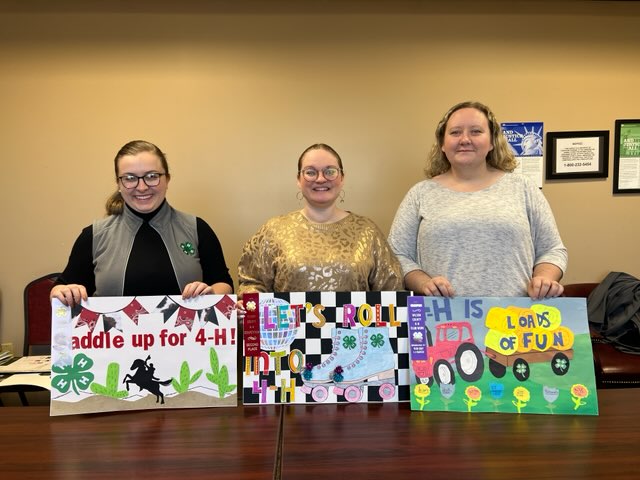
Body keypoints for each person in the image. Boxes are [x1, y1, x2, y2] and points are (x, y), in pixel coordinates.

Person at [388, 101, 568, 299]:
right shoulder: (420, 194)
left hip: (515, 319)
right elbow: (397, 254)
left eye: (476, 131)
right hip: (440, 319)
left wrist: (544, 278)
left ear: (492, 142)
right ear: (442, 144)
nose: (465, 139)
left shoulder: (523, 188)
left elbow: (552, 250)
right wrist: (423, 283)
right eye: (455, 132)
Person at [51, 140, 233, 307]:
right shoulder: (93, 236)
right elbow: (60, 289)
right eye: (130, 178)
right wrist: (62, 293)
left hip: (189, 341)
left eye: (152, 176)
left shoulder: (197, 228)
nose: (142, 187)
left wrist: (211, 293)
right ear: (119, 184)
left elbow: (224, 283)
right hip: (114, 342)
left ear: (167, 179)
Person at [237, 143, 403, 298]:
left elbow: (391, 290)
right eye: (310, 172)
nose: (321, 179)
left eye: (330, 171)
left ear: (342, 177)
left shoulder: (367, 231)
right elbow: (252, 283)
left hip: (353, 329)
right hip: (290, 329)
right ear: (298, 179)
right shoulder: (274, 230)